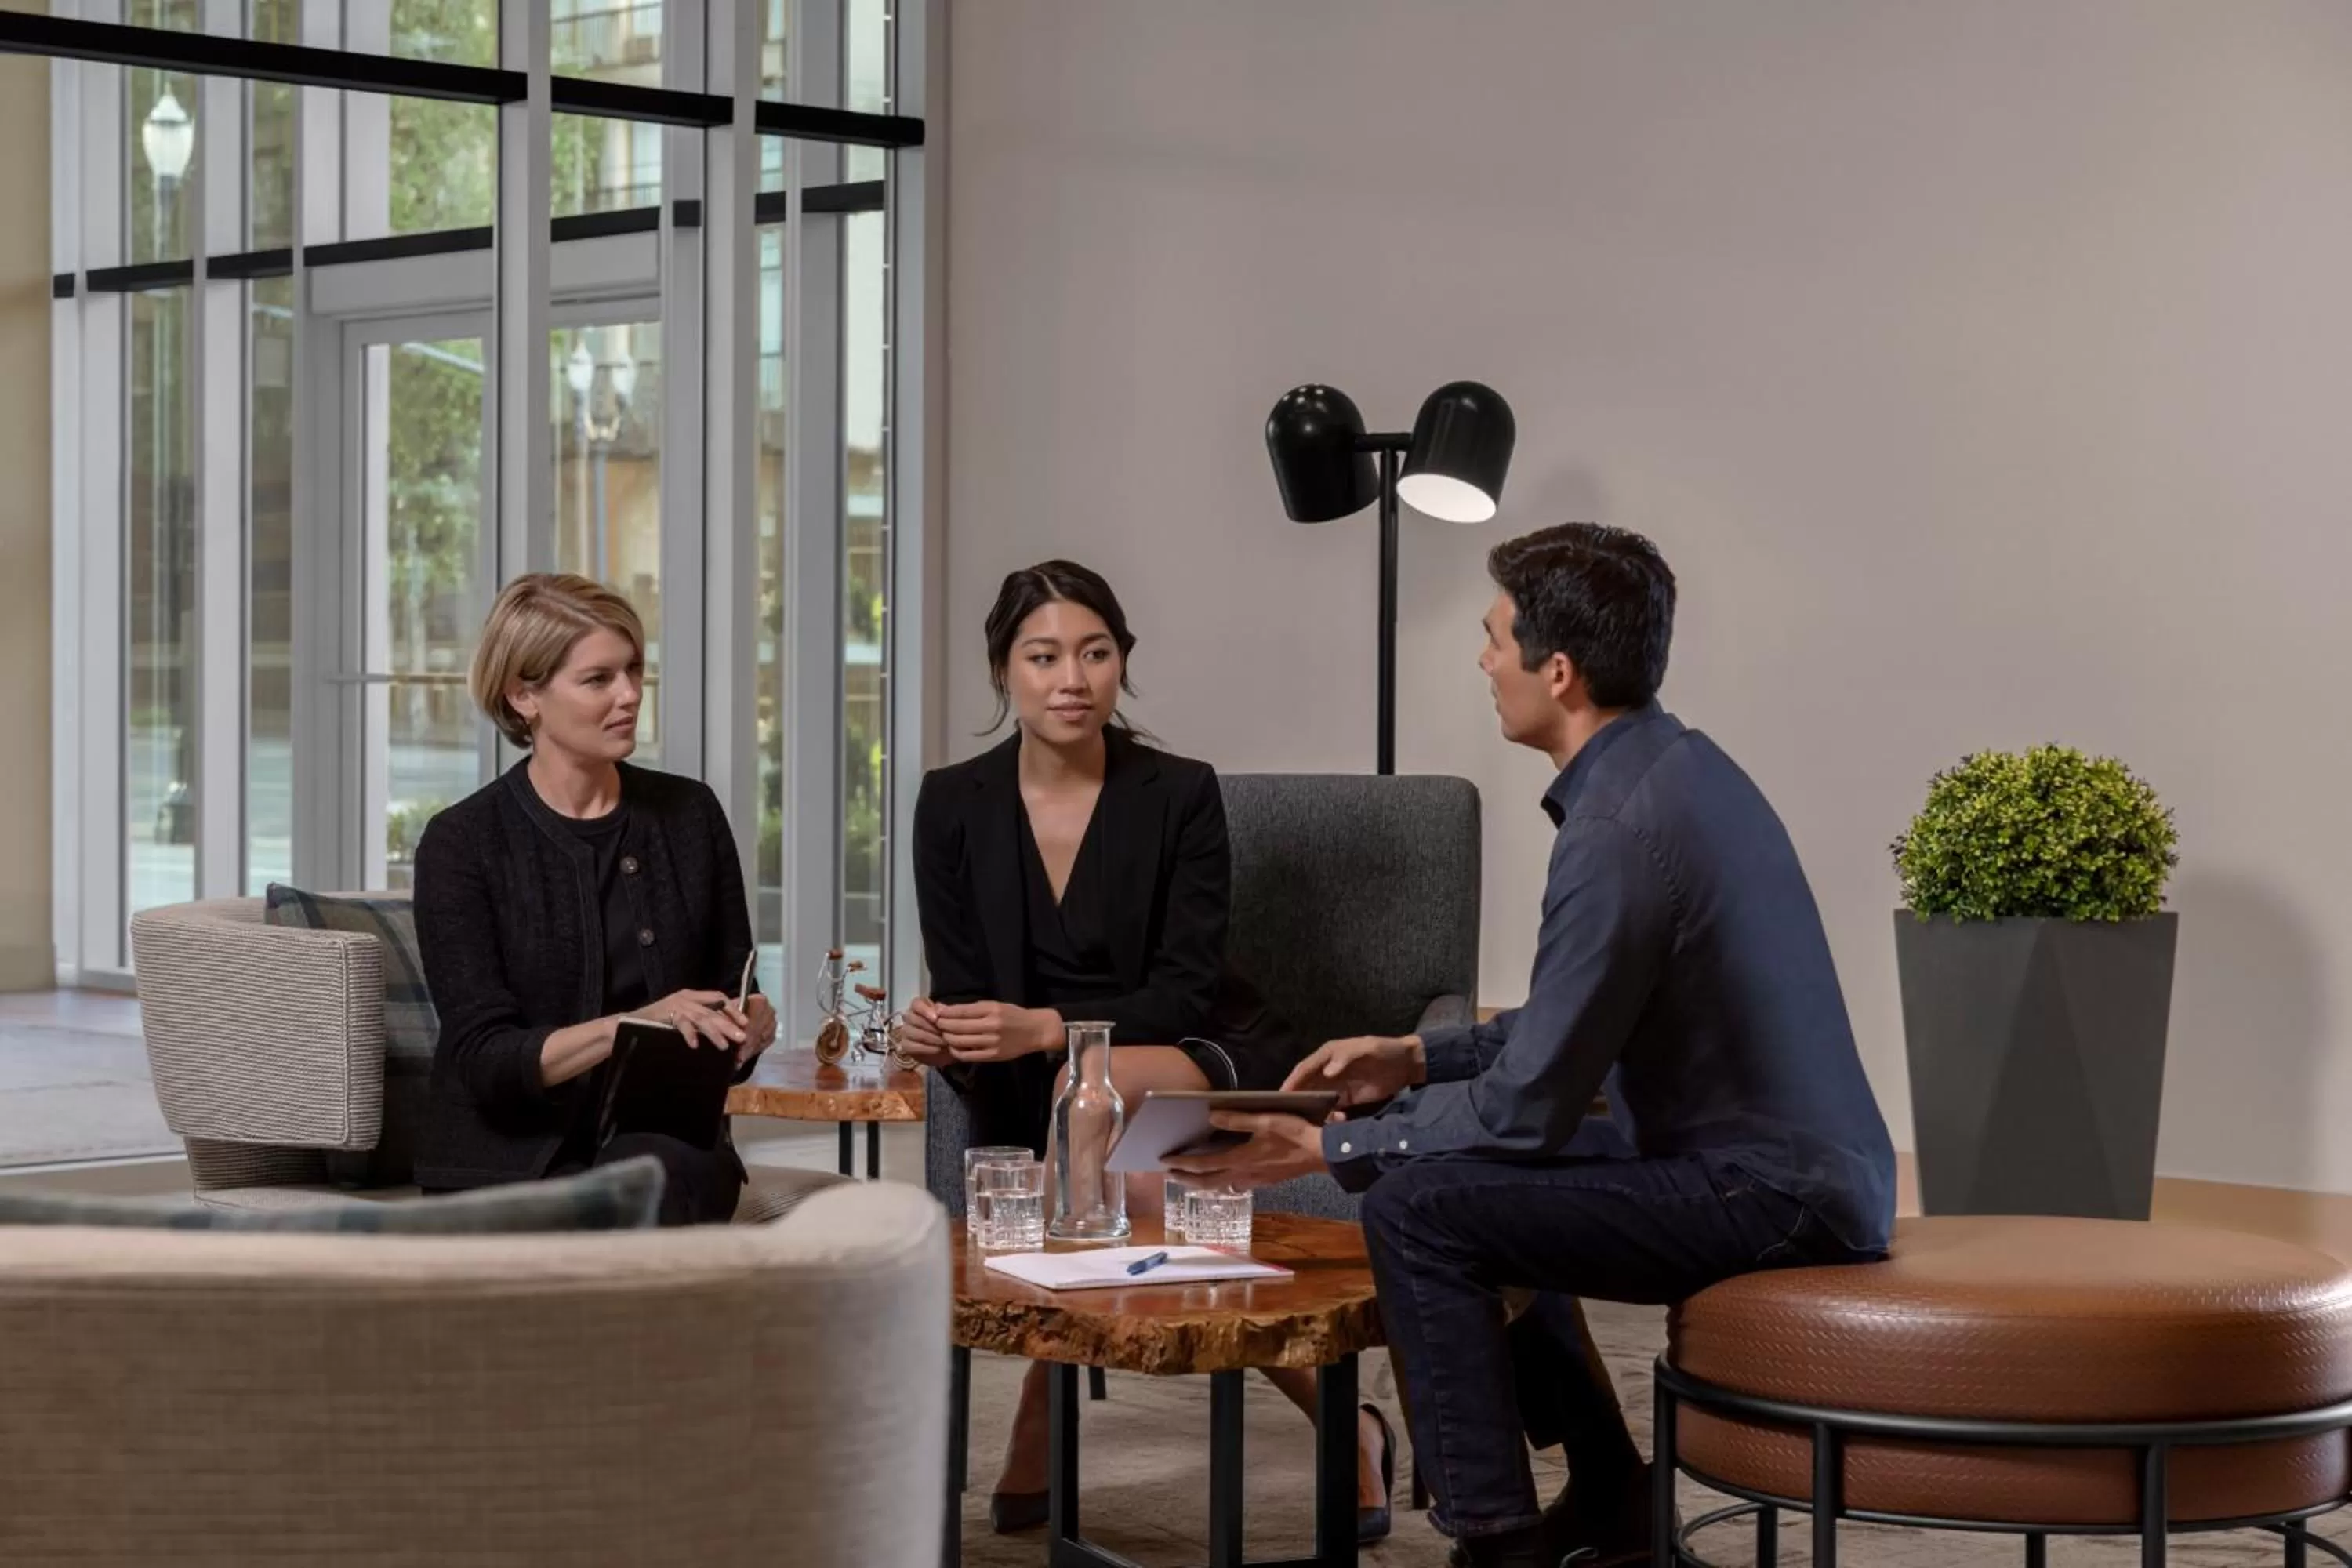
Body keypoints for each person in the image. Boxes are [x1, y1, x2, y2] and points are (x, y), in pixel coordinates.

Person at [1166, 524, 1897, 1568]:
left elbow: (1530, 1106)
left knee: (1422, 1208)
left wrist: (1326, 1150)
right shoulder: (1673, 772)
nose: (1483, 661)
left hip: (1768, 1198)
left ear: (1559, 671)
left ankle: (1495, 1547)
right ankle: (1610, 1493)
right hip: (1786, 1171)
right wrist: (1413, 1059)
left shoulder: (1617, 834)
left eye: (1494, 638)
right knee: (1459, 1171)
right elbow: (1575, 1022)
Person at [899, 560, 1396, 1538]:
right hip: (1039, 1092)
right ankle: (1349, 1422)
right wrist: (940, 1027)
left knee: (1090, 1077)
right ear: (1006, 670)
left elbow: (1185, 985)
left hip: (1192, 1046)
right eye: (1043, 656)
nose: (1072, 678)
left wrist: (1047, 1027)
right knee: (1118, 1181)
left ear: (1123, 660)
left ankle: (1043, 1414)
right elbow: (964, 983)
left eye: (1096, 652)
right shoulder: (950, 801)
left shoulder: (1179, 792)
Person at [412, 573, 779, 1227]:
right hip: (505, 1163)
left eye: (634, 670)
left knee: (652, 1177)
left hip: (665, 1150)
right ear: (524, 695)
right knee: (622, 1201)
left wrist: (748, 1026)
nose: (630, 695)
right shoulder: (462, 842)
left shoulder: (689, 814)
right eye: (598, 679)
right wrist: (637, 1026)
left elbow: (729, 992)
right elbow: (485, 1062)